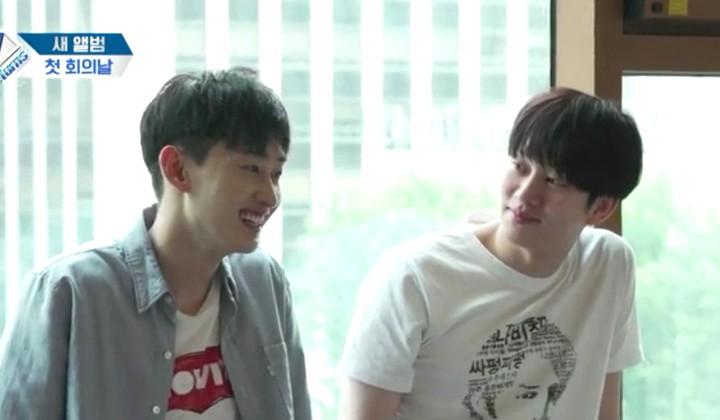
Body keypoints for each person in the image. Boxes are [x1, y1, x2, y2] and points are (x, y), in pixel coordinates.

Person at [0, 67, 312, 419]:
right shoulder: (70, 291)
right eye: (251, 169)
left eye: (276, 174)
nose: (270, 196)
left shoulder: (264, 282)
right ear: (177, 168)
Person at [337, 87, 644, 420]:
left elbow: (604, 409)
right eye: (520, 166)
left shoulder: (608, 264)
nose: (525, 193)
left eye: (554, 181)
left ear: (600, 207)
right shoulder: (413, 278)